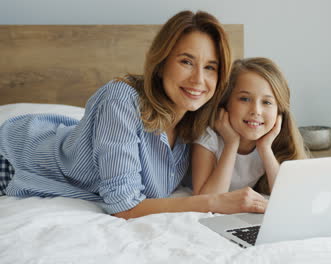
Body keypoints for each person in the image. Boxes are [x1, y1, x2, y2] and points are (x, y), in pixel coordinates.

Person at [0, 10, 268, 219]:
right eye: (186, 61)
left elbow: (210, 186)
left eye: (210, 67)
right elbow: (124, 206)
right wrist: (213, 204)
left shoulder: (196, 120)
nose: (199, 79)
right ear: (161, 63)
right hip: (15, 159)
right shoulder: (121, 100)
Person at [191, 57, 307, 196]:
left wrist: (265, 149)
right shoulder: (209, 138)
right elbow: (207, 200)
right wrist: (231, 143)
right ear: (226, 102)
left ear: (279, 112)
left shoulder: (273, 142)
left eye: (267, 102)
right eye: (244, 99)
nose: (256, 110)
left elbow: (286, 197)